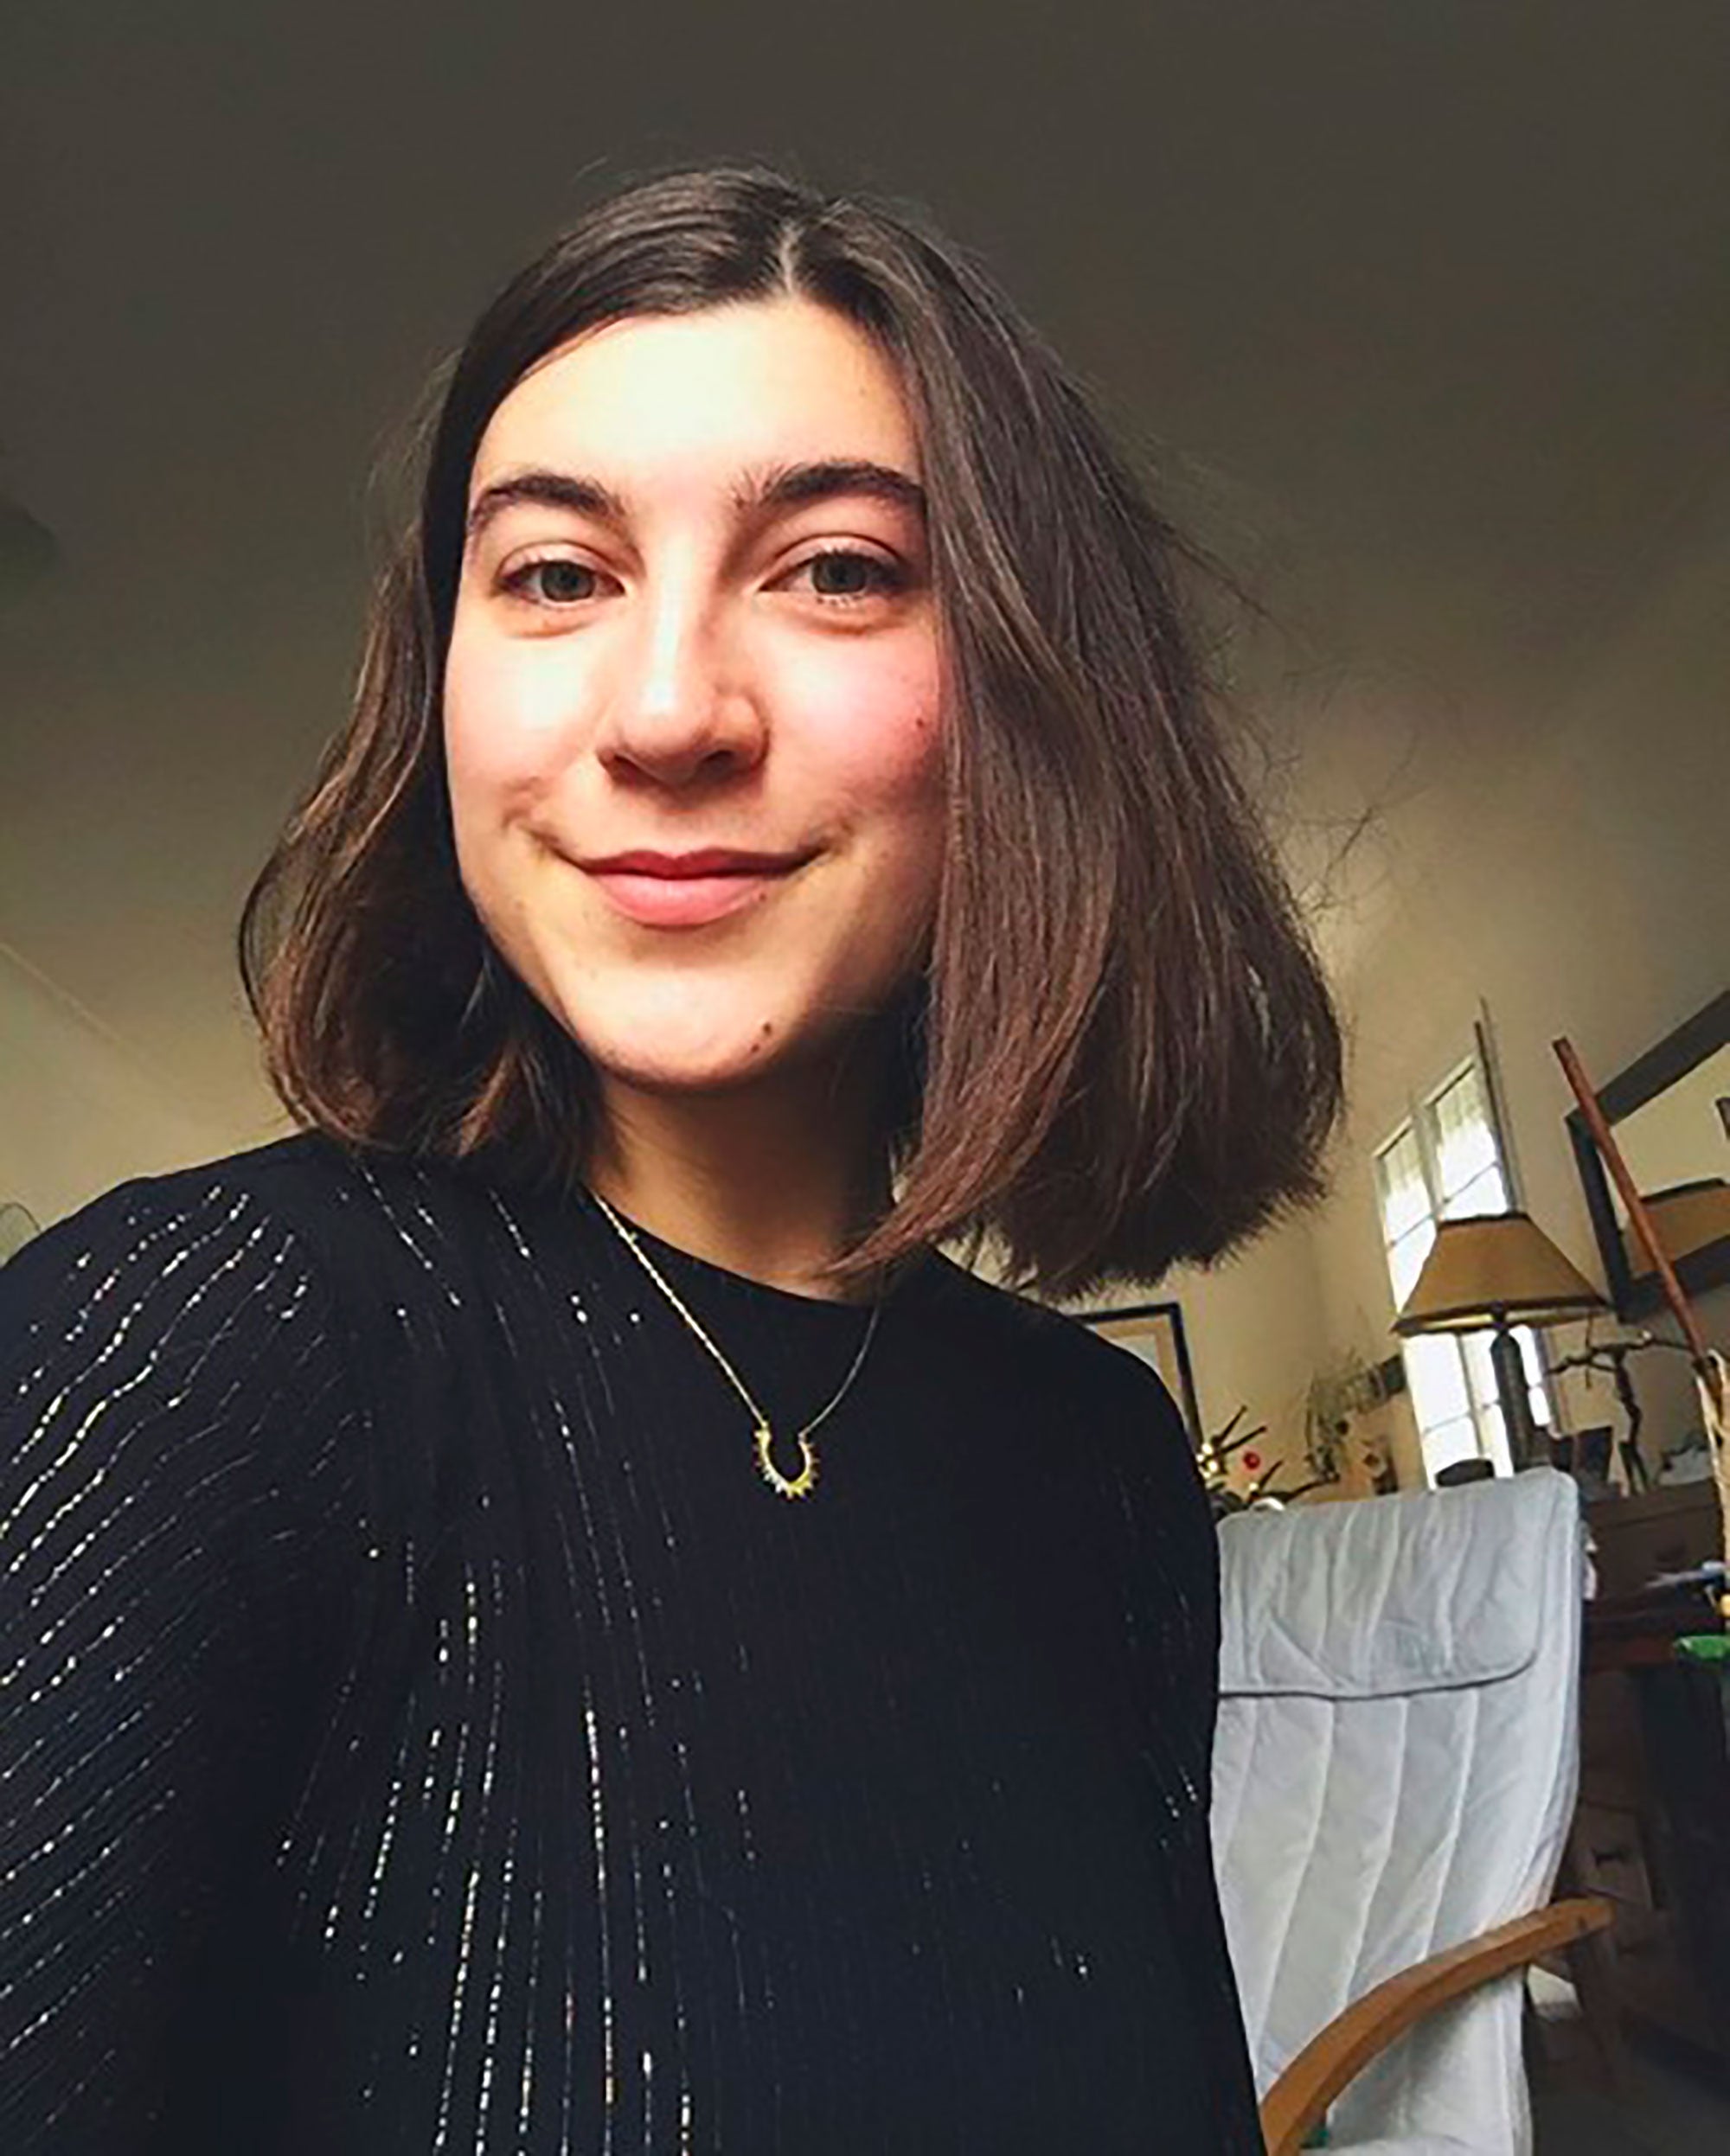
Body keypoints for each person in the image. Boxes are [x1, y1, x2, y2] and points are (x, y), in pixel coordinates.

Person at [0, 164, 1341, 2153]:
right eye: (556, 575)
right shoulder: (179, 1359)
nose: (666, 711)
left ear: (1030, 693)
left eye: (836, 568)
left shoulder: (1103, 1462)